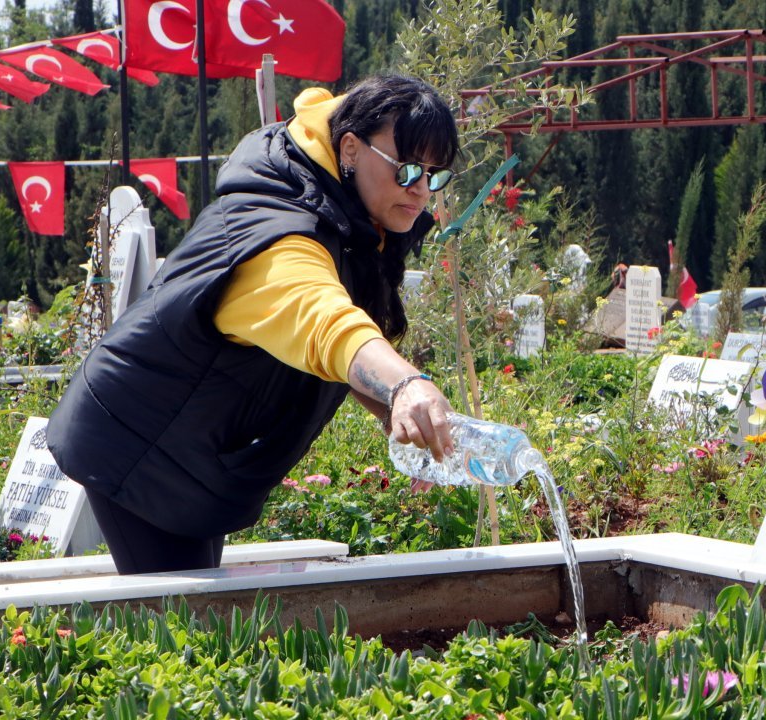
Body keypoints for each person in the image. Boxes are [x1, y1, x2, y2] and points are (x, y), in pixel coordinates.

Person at [47, 75, 460, 574]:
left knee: (199, 624)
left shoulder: (343, 213)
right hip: (135, 439)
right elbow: (321, 318)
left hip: (194, 448)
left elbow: (331, 350)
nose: (420, 190)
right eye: (408, 169)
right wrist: (406, 384)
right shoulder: (280, 229)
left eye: (434, 175)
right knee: (178, 632)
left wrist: (397, 412)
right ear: (349, 148)